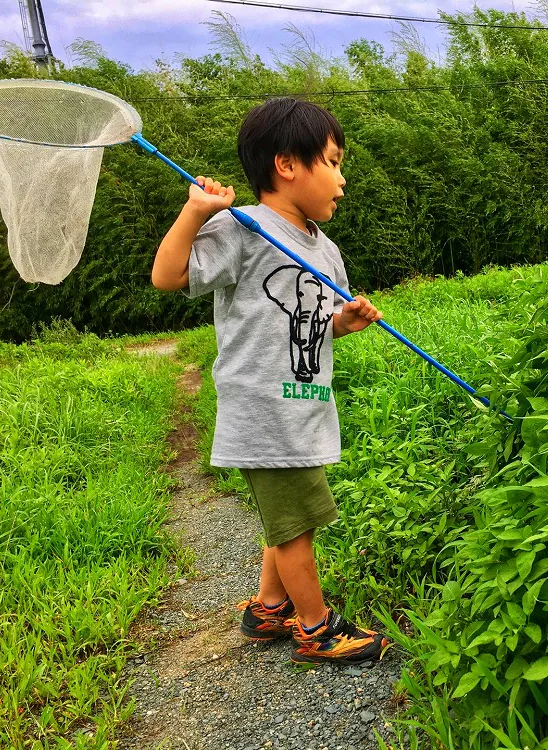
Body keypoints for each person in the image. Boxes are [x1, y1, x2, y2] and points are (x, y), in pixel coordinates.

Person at [151, 97, 389, 666]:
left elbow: (309, 325)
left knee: (287, 518)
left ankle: (268, 608)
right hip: (263, 409)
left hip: (303, 402)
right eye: (332, 161)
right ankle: (316, 627)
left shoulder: (324, 251)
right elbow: (168, 276)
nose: (342, 178)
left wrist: (343, 323)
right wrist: (196, 213)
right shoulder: (242, 228)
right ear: (288, 165)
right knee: (295, 527)